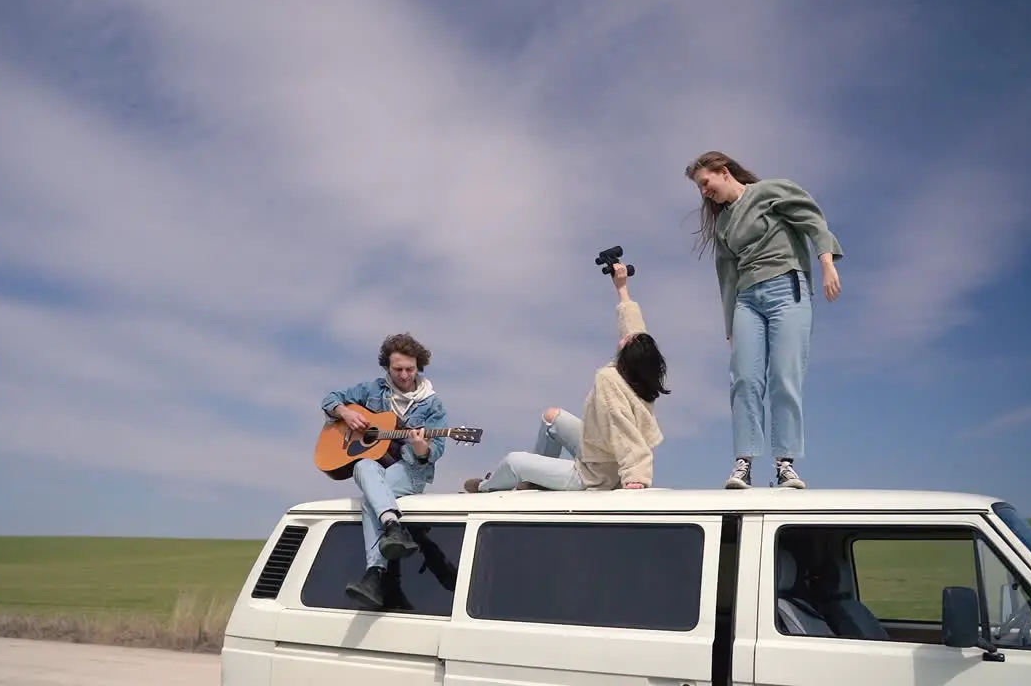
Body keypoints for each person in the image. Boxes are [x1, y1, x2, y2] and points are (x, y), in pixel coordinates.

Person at [685, 150, 844, 490]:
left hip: (787, 287)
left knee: (785, 376)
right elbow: (726, 277)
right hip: (747, 300)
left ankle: (785, 464)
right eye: (699, 187)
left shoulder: (770, 191)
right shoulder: (724, 224)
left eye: (705, 182)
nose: (703, 192)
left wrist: (827, 261)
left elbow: (812, 219)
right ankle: (743, 462)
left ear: (723, 171)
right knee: (744, 379)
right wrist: (730, 324)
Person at [462, 263, 668, 493]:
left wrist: (635, 478)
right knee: (551, 417)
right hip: (600, 453)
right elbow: (633, 328)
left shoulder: (609, 380)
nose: (624, 339)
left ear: (629, 358)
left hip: (594, 477)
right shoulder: (640, 371)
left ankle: (484, 487)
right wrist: (622, 287)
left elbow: (624, 431)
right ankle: (534, 482)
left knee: (514, 462)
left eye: (627, 342)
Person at [319, 332, 449, 609]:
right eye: (397, 369)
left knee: (372, 498)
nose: (403, 375)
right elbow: (331, 398)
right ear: (387, 367)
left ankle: (376, 572)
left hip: (411, 471)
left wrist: (421, 448)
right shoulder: (373, 390)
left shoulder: (432, 405)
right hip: (378, 470)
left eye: (409, 369)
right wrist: (345, 413)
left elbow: (435, 451)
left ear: (419, 367)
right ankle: (391, 525)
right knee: (363, 465)